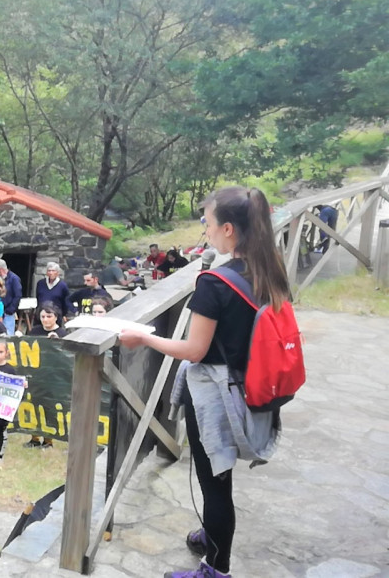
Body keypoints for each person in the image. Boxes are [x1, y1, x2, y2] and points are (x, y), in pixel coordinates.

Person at [120, 186, 288, 578]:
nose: (205, 232)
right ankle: (211, 535)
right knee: (218, 480)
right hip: (252, 389)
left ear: (228, 229)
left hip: (217, 396)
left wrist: (143, 337)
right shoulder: (270, 272)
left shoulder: (216, 283)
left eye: (207, 224)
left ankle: (216, 568)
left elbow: (195, 350)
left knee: (215, 483)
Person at [25, 303, 65, 450]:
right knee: (34, 405)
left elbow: (66, 356)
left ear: (56, 317)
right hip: (36, 374)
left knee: (50, 408)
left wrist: (57, 342)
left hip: (53, 376)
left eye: (49, 316)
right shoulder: (34, 331)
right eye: (43, 316)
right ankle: (34, 438)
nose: (46, 319)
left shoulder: (62, 333)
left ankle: (48, 440)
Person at [0, 259, 23, 335]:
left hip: (7, 312)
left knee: (8, 333)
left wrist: (11, 310)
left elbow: (18, 295)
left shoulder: (14, 279)